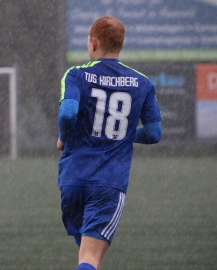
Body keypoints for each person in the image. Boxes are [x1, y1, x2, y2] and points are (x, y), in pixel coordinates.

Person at [57, 16, 162, 270]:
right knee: (90, 260)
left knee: (86, 256)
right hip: (108, 182)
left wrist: (63, 137)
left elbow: (68, 113)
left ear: (93, 42)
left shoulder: (76, 75)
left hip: (72, 180)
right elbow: (154, 133)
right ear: (119, 45)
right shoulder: (142, 82)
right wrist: (125, 136)